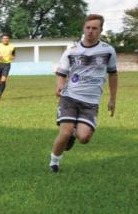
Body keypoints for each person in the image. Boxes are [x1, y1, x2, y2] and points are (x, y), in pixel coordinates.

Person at [49, 14, 117, 173]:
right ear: (83, 28)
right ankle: (54, 163)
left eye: (95, 28)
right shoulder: (71, 51)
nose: (90, 31)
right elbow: (61, 73)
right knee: (64, 133)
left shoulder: (108, 51)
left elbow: (113, 74)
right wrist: (59, 85)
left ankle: (75, 132)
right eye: (88, 28)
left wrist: (112, 99)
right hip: (69, 98)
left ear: (100, 30)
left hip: (91, 102)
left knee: (84, 138)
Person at [0, 34, 16, 101]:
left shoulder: (12, 47)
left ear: (8, 39)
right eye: (4, 38)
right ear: (2, 39)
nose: (5, 39)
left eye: (6, 38)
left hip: (7, 64)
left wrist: (12, 57)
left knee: (3, 80)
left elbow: (13, 55)